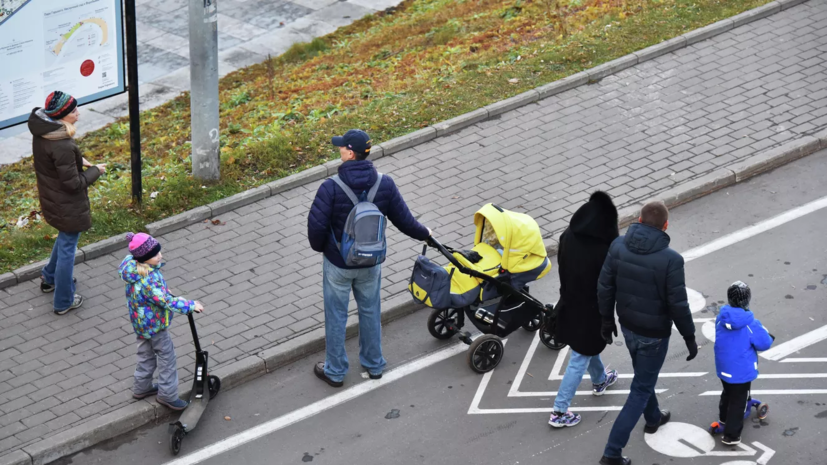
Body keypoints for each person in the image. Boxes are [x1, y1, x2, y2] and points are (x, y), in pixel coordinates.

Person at [307, 129, 430, 387]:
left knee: (336, 316)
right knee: (371, 311)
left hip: (339, 265)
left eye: (341, 147)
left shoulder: (330, 187)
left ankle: (336, 371)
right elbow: (404, 221)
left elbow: (316, 228)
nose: (338, 150)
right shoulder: (384, 183)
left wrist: (324, 250)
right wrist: (425, 234)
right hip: (371, 262)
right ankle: (374, 364)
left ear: (350, 153)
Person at [596, 201, 698, 465]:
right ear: (665, 225)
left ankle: (653, 418)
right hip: (654, 334)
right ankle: (612, 453)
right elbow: (678, 303)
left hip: (628, 325)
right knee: (641, 387)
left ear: (639, 220)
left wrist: (607, 321)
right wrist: (689, 336)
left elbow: (604, 287)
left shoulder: (617, 246)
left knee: (643, 377)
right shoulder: (671, 260)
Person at [29, 91, 106, 314]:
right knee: (67, 250)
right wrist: (95, 171)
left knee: (64, 240)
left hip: (52, 199)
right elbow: (73, 184)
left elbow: (57, 161)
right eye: (73, 111)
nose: (78, 114)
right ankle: (63, 301)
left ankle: (49, 278)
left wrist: (80, 161)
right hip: (67, 205)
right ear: (62, 116)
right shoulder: (62, 143)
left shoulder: (44, 132)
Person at [549, 192, 620, 428]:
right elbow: (609, 285)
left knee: (586, 346)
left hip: (570, 301)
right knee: (580, 356)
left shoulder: (568, 236)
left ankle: (600, 380)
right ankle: (560, 410)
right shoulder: (604, 248)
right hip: (592, 310)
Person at [119, 232, 204, 411]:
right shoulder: (148, 279)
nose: (160, 256)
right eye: (156, 254)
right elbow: (165, 300)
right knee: (167, 358)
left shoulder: (132, 267)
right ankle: (167, 395)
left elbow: (156, 294)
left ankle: (141, 387)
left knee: (146, 355)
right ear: (145, 257)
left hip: (140, 324)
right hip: (155, 326)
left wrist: (163, 290)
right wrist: (190, 305)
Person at [711, 281, 774, 445]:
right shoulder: (750, 324)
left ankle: (723, 421)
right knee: (738, 402)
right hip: (741, 371)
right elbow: (764, 343)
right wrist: (769, 337)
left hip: (723, 367)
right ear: (747, 300)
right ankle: (731, 436)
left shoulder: (721, 318)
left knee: (727, 393)